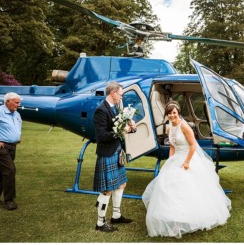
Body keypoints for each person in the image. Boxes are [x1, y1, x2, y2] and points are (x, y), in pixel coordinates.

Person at [142, 102, 231, 238]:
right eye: (169, 113)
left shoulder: (184, 126)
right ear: (167, 115)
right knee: (169, 188)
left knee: (188, 188)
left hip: (188, 159)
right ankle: (172, 218)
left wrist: (187, 162)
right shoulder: (169, 128)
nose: (172, 116)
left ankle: (191, 218)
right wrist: (170, 159)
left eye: (174, 113)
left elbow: (193, 146)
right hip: (176, 158)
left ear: (178, 113)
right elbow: (172, 146)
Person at [93, 81, 135, 232]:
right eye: (121, 94)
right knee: (107, 190)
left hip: (117, 151)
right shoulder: (101, 110)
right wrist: (121, 131)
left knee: (121, 184)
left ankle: (116, 216)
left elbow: (120, 128)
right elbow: (102, 135)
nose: (121, 97)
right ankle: (100, 223)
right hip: (107, 152)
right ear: (113, 93)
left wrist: (130, 128)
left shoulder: (115, 108)